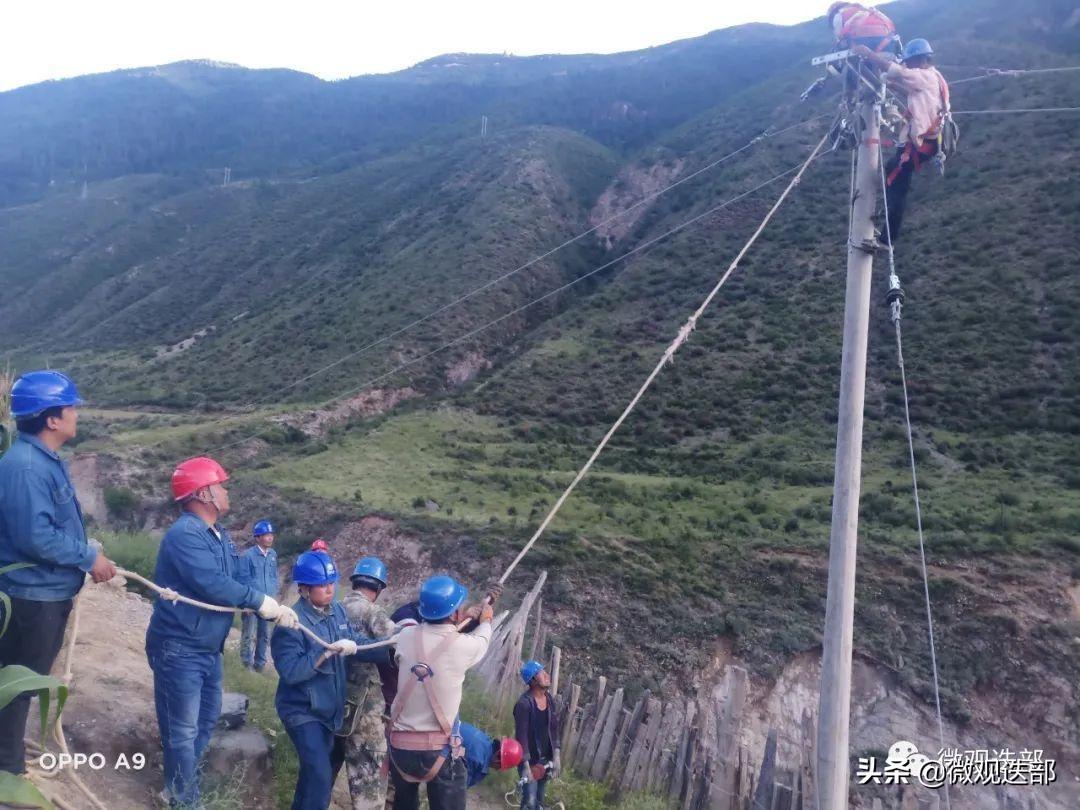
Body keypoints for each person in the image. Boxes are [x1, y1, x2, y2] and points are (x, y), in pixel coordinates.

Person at [145, 456, 300, 807]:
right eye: (221, 485)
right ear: (204, 494)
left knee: (201, 727)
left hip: (205, 648)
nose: (226, 490)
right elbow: (213, 584)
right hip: (180, 647)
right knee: (183, 732)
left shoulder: (219, 536)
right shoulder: (185, 534)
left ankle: (180, 788)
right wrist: (258, 600)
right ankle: (184, 800)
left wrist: (269, 602)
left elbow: (234, 579)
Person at [0, 371, 117, 775]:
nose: (76, 415)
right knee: (17, 688)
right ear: (51, 419)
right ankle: (8, 777)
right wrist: (88, 558)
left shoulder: (39, 460)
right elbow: (37, 538)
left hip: (43, 594)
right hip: (34, 598)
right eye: (71, 408)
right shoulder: (28, 468)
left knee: (23, 685)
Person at [272, 550, 392, 810]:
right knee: (320, 777)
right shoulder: (292, 623)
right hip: (302, 712)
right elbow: (291, 672)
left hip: (329, 712)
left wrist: (389, 649)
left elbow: (354, 642)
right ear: (304, 588)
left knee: (311, 777)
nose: (329, 590)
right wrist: (325, 651)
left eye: (331, 583)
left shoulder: (336, 611)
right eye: (321, 586)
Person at [387, 574, 493, 810]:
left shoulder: (403, 637)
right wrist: (485, 619)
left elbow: (435, 637)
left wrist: (464, 618)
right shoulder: (464, 646)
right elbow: (482, 639)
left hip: (401, 748)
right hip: (439, 751)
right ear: (455, 614)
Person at [853, 38, 950, 244]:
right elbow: (910, 88)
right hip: (929, 142)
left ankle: (887, 238)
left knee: (896, 181)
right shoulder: (934, 76)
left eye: (910, 62)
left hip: (922, 143)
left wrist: (868, 53)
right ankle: (887, 219)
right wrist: (891, 84)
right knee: (893, 174)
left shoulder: (924, 76)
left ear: (920, 59)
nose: (908, 65)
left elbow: (898, 71)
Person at [341, 557, 397, 810]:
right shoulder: (373, 612)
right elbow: (394, 642)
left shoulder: (337, 607)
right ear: (378, 588)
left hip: (338, 694)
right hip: (365, 701)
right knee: (370, 766)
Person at [513, 660, 562, 810]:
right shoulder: (524, 704)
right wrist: (526, 766)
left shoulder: (549, 700)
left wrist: (557, 755)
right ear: (533, 680)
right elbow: (521, 737)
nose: (547, 675)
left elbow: (553, 729)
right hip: (529, 760)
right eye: (541, 673)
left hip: (545, 758)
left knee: (538, 798)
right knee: (530, 800)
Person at [241, 519, 279, 671]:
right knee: (248, 634)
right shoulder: (247, 556)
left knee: (264, 635)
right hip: (251, 602)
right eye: (266, 535)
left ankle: (260, 665)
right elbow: (243, 579)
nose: (270, 538)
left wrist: (274, 596)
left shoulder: (273, 555)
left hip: (267, 601)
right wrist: (245, 602)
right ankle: (246, 665)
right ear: (257, 538)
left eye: (271, 535)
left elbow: (273, 576)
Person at [458, 723, 524, 788]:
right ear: (498, 758)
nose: (497, 769)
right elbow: (457, 788)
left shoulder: (483, 738)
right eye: (500, 766)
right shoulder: (478, 762)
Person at [827, 2, 900, 57]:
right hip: (888, 44)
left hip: (863, 44)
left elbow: (839, 37)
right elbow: (892, 30)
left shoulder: (839, 14)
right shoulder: (873, 12)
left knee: (838, 48)